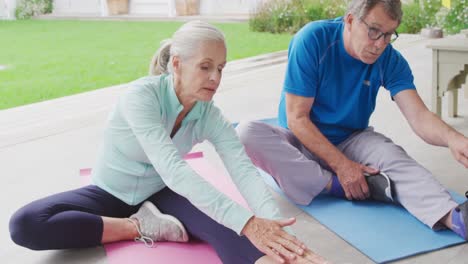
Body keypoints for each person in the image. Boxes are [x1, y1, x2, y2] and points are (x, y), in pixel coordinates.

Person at [9, 21, 328, 264]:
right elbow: (173, 168)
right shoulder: (141, 97)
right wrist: (247, 221)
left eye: (220, 68)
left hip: (163, 193)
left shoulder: (208, 114)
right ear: (176, 63)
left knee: (244, 237)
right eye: (205, 67)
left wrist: (272, 225)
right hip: (109, 191)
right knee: (25, 224)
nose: (215, 78)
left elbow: (242, 169)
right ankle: (139, 226)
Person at [237, 0, 468, 240]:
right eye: (374, 31)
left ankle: (456, 219)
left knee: (395, 158)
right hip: (300, 140)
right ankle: (335, 185)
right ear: (349, 20)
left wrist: (454, 139)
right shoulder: (313, 39)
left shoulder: (390, 60)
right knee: (246, 134)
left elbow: (419, 116)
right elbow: (297, 118)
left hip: (352, 138)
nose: (380, 44)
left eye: (388, 35)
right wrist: (342, 167)